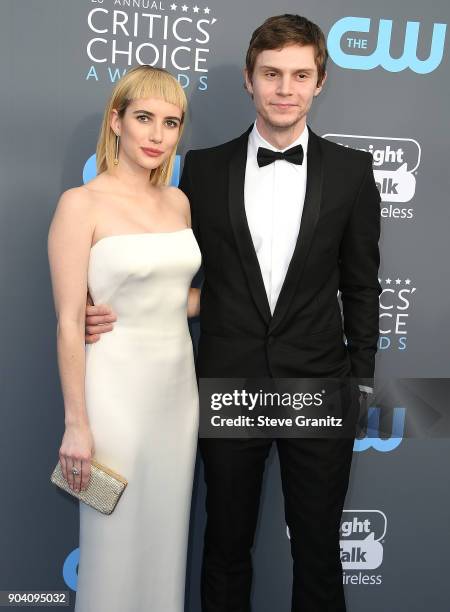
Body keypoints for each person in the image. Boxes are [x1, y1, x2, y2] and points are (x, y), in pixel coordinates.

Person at [85, 14, 381, 612]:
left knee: (320, 553)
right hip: (226, 380)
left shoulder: (353, 172)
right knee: (224, 547)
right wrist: (115, 308)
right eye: (271, 74)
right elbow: (170, 268)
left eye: (300, 75)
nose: (284, 88)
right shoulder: (204, 169)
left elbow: (362, 287)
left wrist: (359, 384)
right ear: (249, 79)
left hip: (319, 383)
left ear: (319, 82)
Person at [48, 65, 201, 612]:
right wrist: (76, 423)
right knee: (110, 539)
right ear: (117, 121)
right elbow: (69, 320)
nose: (158, 135)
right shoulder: (80, 204)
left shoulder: (179, 204)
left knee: (166, 535)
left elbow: (177, 296)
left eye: (171, 122)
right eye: (144, 118)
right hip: (112, 394)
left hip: (177, 394)